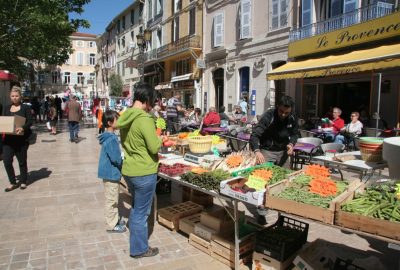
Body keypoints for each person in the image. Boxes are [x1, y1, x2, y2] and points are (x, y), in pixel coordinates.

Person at [117, 83, 162, 259]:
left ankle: (138, 244)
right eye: (151, 101)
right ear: (146, 100)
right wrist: (160, 138)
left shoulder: (126, 115)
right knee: (140, 212)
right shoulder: (143, 119)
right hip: (144, 170)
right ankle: (139, 249)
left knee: (137, 207)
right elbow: (153, 146)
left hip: (129, 169)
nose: (151, 106)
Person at [249, 95, 300, 225]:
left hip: (283, 152)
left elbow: (295, 133)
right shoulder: (269, 116)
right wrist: (257, 151)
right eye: (281, 111)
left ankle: (281, 211)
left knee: (284, 180)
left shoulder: (293, 117)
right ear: (278, 107)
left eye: (286, 113)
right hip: (267, 151)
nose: (283, 114)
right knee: (264, 182)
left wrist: (291, 144)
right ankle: (262, 211)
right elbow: (255, 135)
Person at [98, 110, 126, 233]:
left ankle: (114, 220)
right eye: (117, 120)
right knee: (111, 200)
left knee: (113, 198)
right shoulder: (111, 139)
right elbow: (115, 158)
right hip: (111, 173)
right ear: (110, 122)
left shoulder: (109, 137)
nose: (119, 122)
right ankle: (112, 225)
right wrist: (123, 160)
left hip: (109, 173)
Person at [2, 86, 33, 191]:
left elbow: (30, 121)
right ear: (10, 96)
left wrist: (22, 128)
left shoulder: (25, 108)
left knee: (22, 161)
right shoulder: (6, 108)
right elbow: (4, 120)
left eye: (16, 96)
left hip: (21, 140)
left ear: (20, 96)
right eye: (12, 96)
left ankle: (23, 181)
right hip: (8, 140)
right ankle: (12, 182)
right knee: (6, 161)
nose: (14, 98)